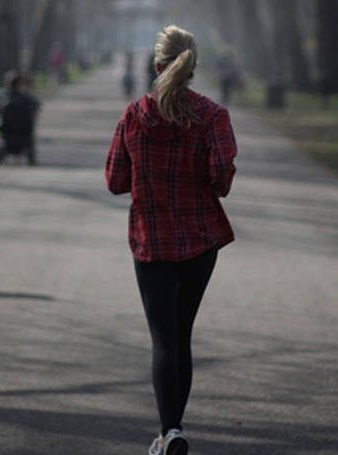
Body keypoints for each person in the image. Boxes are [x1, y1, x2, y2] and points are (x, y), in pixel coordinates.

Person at [105, 25, 237, 455]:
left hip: (152, 239)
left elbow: (115, 181)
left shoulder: (134, 115)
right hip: (200, 240)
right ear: (192, 67)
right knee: (182, 335)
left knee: (163, 339)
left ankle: (171, 430)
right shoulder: (213, 116)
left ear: (157, 65)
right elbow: (221, 182)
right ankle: (171, 433)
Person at [0, 70, 40, 165]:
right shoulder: (27, 98)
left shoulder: (3, 97)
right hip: (23, 131)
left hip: (8, 131)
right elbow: (36, 106)